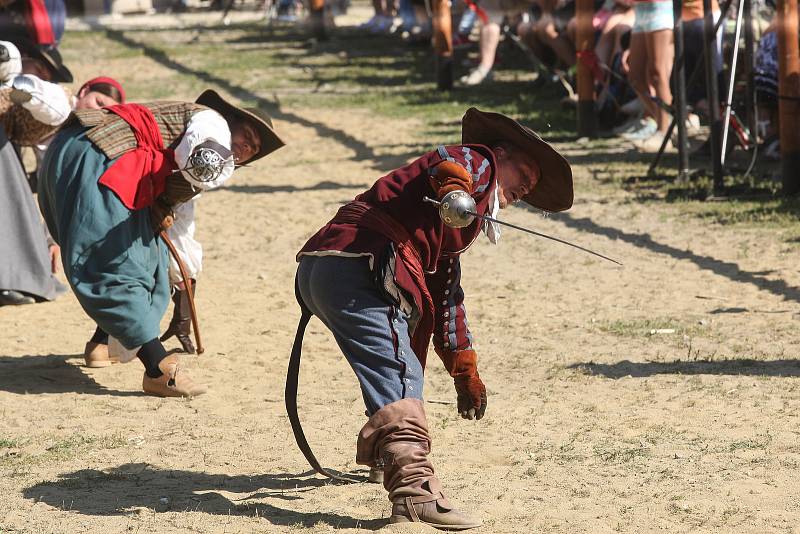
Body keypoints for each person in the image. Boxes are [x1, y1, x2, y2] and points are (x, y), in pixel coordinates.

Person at [292, 108, 573, 529]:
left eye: (531, 188)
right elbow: (451, 165)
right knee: (400, 370)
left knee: (396, 361)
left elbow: (446, 297)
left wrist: (465, 371)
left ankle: (390, 458)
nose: (526, 188)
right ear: (502, 154)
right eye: (524, 174)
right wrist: (455, 187)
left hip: (327, 267)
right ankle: (413, 494)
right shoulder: (478, 163)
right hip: (358, 265)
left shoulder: (454, 227)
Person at [38, 89, 285, 397]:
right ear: (231, 119)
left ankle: (102, 344)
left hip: (75, 152)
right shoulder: (214, 125)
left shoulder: (199, 147)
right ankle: (157, 367)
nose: (248, 146)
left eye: (254, 148)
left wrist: (183, 297)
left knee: (148, 256)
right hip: (100, 157)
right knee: (115, 262)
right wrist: (200, 168)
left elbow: (180, 230)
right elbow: (204, 157)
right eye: (248, 135)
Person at [0, 40, 70, 306]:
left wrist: (51, 238)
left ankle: (14, 277)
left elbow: (50, 177)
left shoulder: (48, 100)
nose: (39, 75)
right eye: (38, 68)